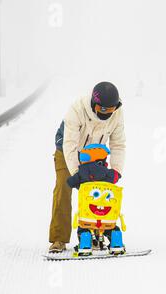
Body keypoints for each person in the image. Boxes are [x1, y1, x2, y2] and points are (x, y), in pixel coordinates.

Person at [49, 82, 126, 253]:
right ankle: (58, 239)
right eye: (103, 109)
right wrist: (78, 174)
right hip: (68, 151)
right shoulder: (76, 110)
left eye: (111, 109)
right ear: (94, 103)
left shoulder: (117, 113)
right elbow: (69, 144)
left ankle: (100, 232)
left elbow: (118, 144)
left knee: (102, 191)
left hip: (95, 153)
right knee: (64, 186)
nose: (107, 113)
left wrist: (116, 171)